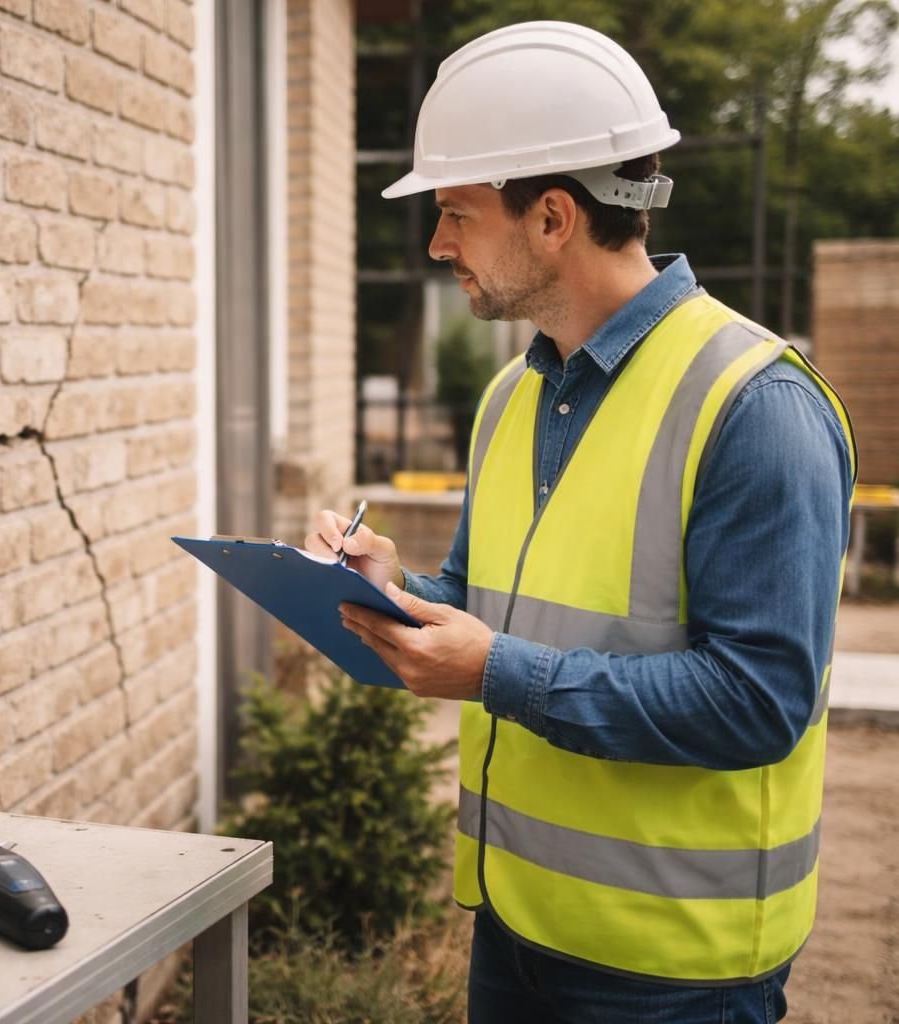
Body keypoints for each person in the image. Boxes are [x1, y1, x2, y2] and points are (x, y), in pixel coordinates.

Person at [305, 20, 856, 1024]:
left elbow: (759, 698)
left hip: (674, 972)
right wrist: (395, 588)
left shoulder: (755, 406)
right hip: (515, 929)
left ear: (553, 217)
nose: (437, 244)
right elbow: (497, 607)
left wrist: (491, 671)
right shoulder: (513, 397)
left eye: (455, 214)